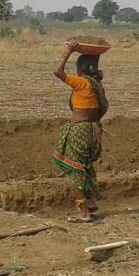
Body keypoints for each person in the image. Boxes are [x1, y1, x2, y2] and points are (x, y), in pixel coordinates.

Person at [51, 41, 109, 222]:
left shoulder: (82, 83)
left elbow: (57, 71)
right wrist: (95, 51)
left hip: (80, 132)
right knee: (84, 166)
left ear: (80, 70)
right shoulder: (97, 85)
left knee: (75, 170)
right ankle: (90, 202)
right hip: (93, 131)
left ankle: (84, 213)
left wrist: (69, 50)